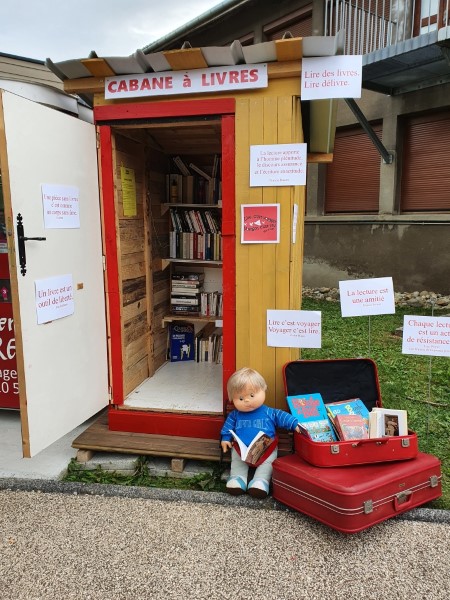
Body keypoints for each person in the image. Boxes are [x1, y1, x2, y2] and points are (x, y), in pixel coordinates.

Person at [220, 367, 300, 498]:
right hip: (242, 450)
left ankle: (261, 481)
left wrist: (294, 424)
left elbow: (282, 416)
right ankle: (237, 479)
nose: (247, 401)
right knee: (237, 461)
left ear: (263, 390)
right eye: (240, 398)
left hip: (266, 449)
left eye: (252, 395)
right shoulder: (235, 415)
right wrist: (225, 438)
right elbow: (228, 428)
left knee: (267, 464)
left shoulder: (269, 412)